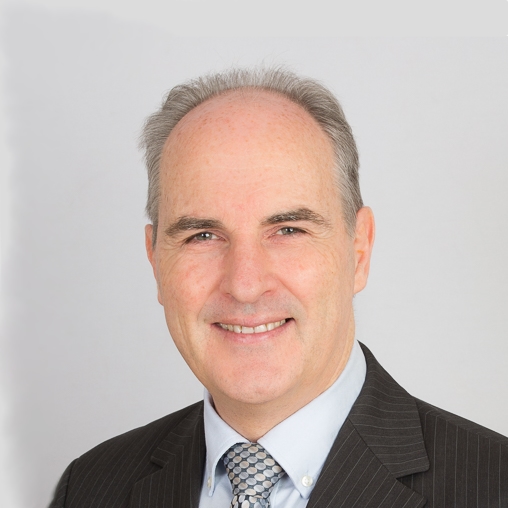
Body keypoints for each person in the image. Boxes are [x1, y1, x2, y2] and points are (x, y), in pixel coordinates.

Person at [49, 67, 508, 508]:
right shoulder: (89, 489)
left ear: (359, 251)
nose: (245, 285)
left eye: (288, 230)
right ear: (156, 262)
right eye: (202, 236)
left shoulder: (495, 486)